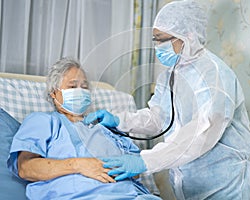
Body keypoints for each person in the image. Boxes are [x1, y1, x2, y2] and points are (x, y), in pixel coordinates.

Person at [84, 1, 250, 199]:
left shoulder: (214, 75)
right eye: (155, 40)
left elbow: (203, 131)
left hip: (224, 187)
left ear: (188, 37)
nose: (157, 47)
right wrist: (120, 121)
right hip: (188, 186)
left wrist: (145, 161)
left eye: (162, 40)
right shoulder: (170, 75)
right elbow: (158, 118)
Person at [7, 58, 161, 200]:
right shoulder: (44, 121)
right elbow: (25, 167)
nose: (80, 91)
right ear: (54, 93)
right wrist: (79, 165)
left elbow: (137, 170)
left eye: (85, 87)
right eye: (73, 86)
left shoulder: (107, 127)